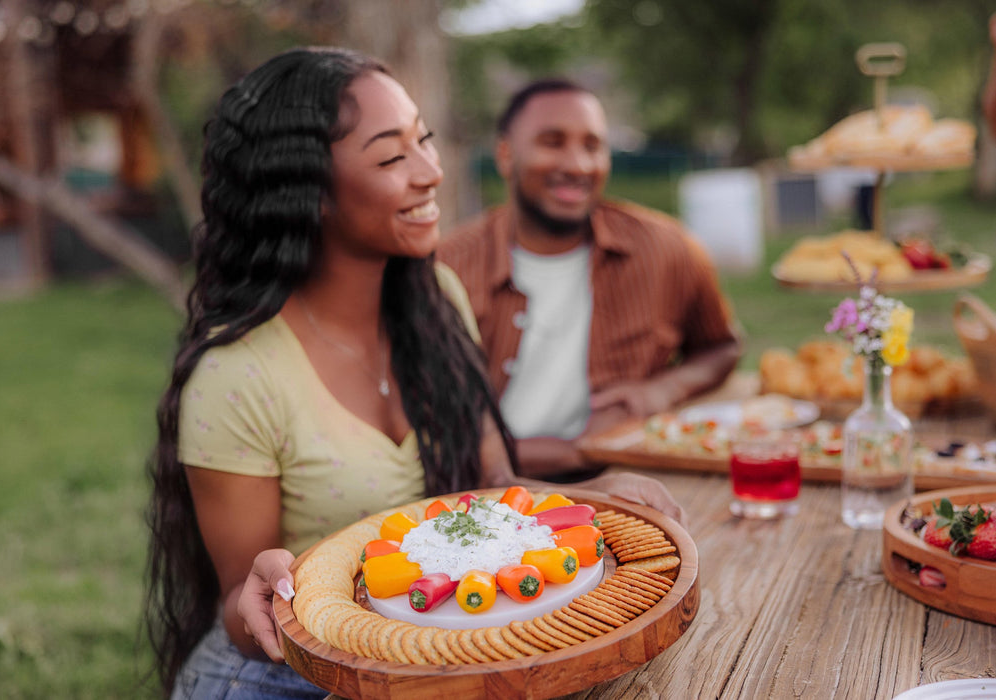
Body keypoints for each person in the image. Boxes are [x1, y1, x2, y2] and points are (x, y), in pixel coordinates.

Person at [145, 48, 684, 699]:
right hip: (277, 681)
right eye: (391, 157)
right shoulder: (236, 379)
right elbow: (243, 604)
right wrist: (258, 593)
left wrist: (592, 500)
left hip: (428, 668)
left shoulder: (437, 299)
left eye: (423, 141)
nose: (430, 172)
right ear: (308, 191)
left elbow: (494, 486)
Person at [438, 79, 742, 481]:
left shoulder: (667, 249)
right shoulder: (445, 268)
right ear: (506, 156)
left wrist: (663, 390)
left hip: (626, 488)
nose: (578, 165)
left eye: (593, 146)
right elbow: (425, 430)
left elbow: (722, 347)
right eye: (552, 142)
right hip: (481, 499)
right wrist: (575, 454)